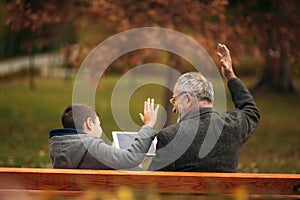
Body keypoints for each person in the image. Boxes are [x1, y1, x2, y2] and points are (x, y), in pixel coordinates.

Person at [148, 44, 260, 172]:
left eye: (175, 100)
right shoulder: (235, 126)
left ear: (187, 99)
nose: (173, 108)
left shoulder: (170, 137)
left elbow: (153, 183)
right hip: (224, 192)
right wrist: (230, 76)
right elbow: (251, 111)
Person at [49, 98, 159, 169]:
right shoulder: (92, 147)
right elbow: (131, 158)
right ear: (89, 123)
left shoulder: (58, 147)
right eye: (99, 124)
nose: (100, 129)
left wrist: (111, 152)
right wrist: (148, 125)